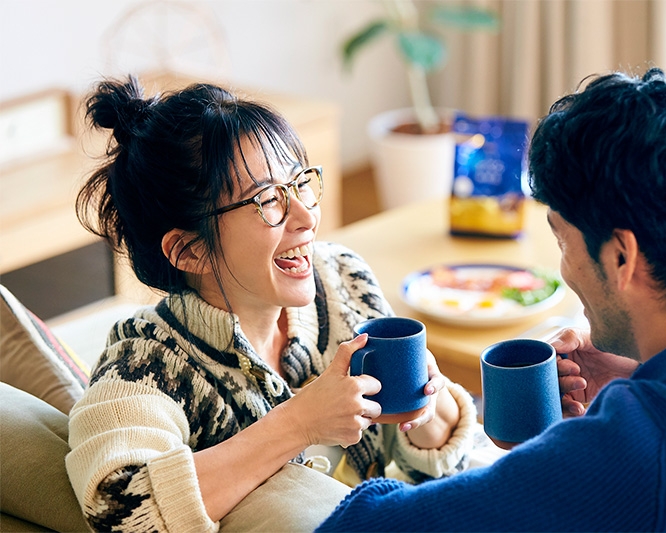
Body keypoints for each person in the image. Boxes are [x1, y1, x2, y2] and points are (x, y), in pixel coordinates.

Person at [318, 68, 666, 532]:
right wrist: (644, 379)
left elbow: (363, 526)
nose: (564, 268)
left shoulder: (627, 457)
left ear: (621, 256)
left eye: (562, 241)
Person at [65, 75, 476, 532]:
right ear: (189, 251)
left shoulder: (338, 277)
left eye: (299, 183)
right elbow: (118, 510)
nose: (306, 218)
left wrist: (426, 403)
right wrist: (298, 423)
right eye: (266, 201)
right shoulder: (145, 364)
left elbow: (429, 469)